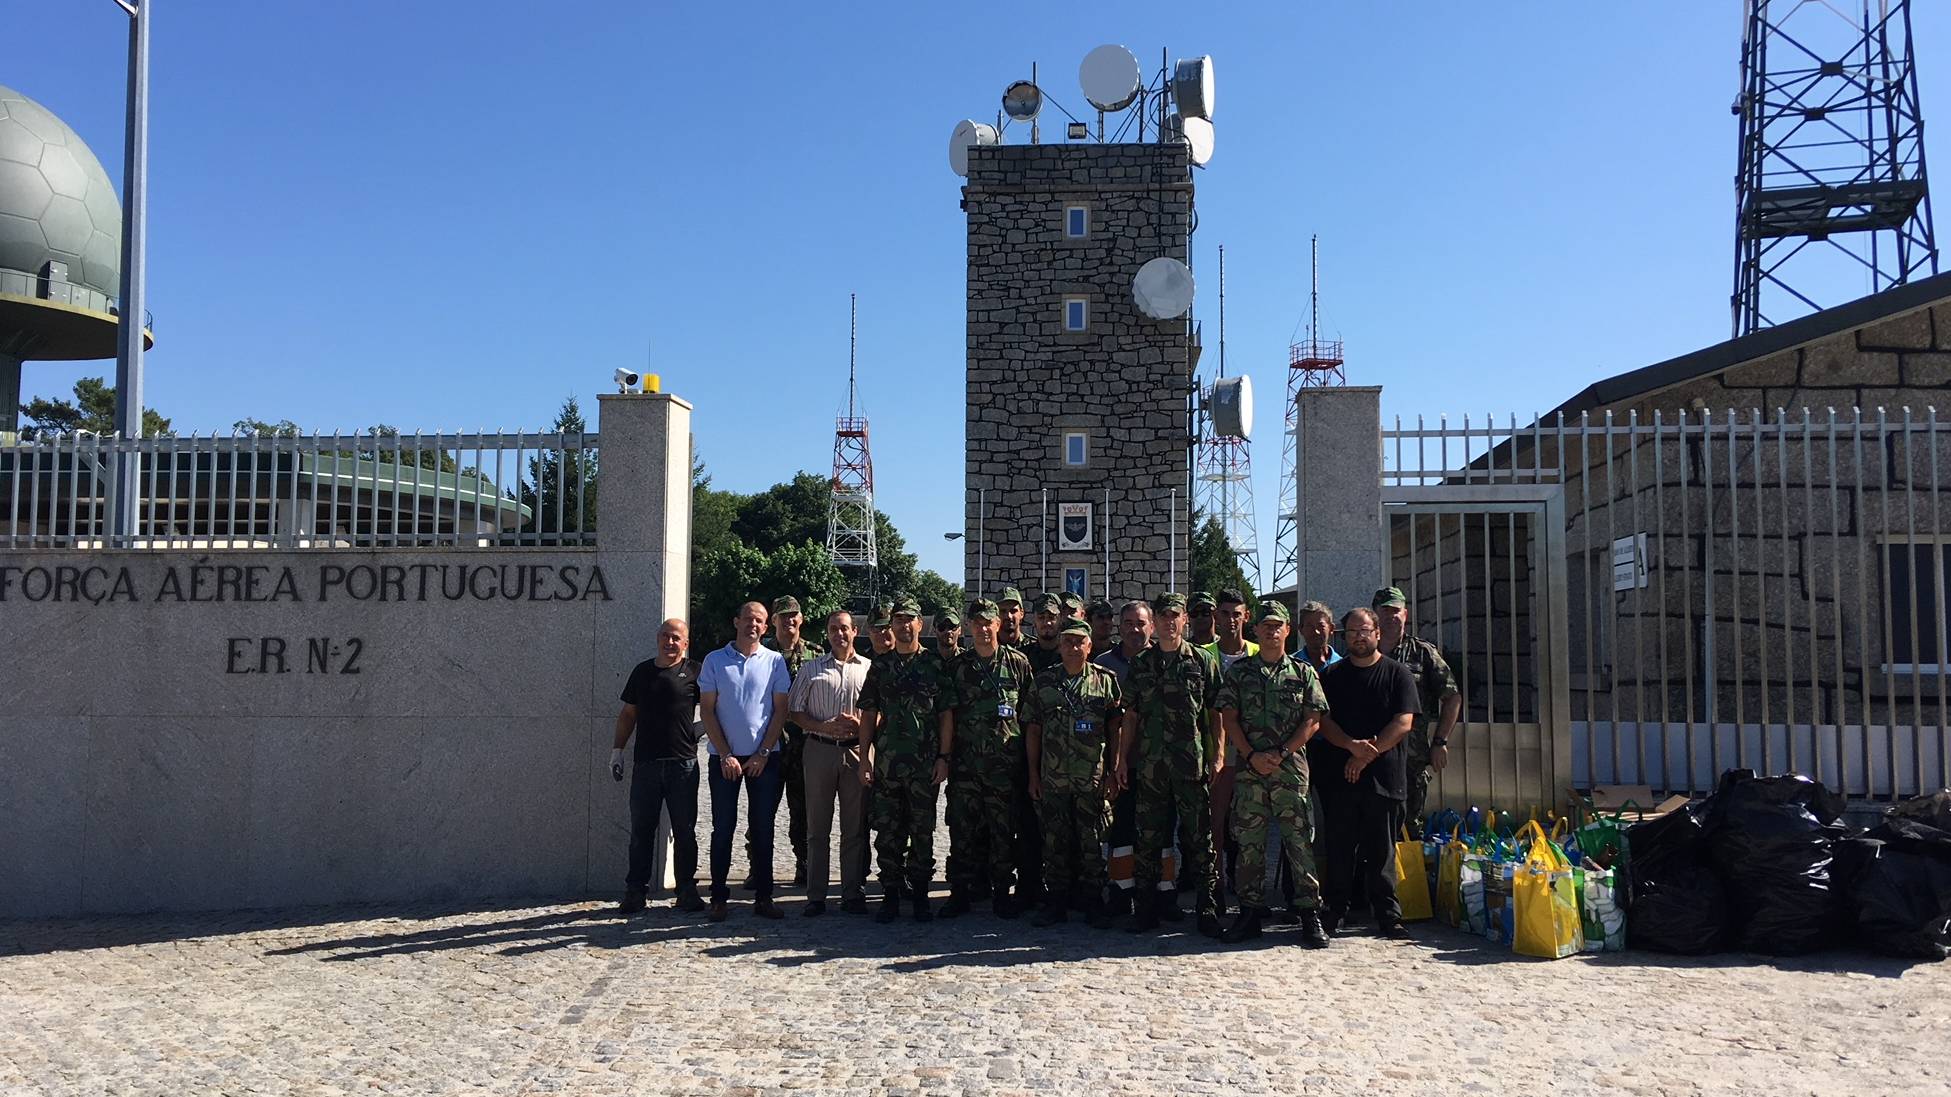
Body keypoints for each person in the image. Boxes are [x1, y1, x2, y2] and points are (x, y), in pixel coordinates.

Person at [1214, 601, 1331, 945]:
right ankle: (1249, 913)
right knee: (1249, 844)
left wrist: (1281, 752)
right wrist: (1251, 754)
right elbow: (1228, 718)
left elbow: (1313, 719)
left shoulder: (1302, 672)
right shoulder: (1239, 672)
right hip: (1251, 772)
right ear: (1256, 630)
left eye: (1277, 625)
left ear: (1287, 630)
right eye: (1265, 625)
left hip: (1290, 770)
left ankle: (1309, 914)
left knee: (1299, 843)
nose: (1270, 630)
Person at [1313, 607, 1422, 938]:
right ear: (1343, 637)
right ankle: (1335, 910)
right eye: (1352, 632)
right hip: (1339, 778)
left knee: (1381, 851)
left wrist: (1365, 755)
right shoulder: (1331, 677)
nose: (1359, 637)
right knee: (1340, 848)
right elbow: (1323, 721)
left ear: (1377, 633)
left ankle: (1388, 915)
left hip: (1384, 778)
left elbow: (1404, 721)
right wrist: (1350, 746)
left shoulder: (1397, 674)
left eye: (1364, 631)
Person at [1121, 593, 1223, 936]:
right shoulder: (1141, 664)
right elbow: (1131, 716)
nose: (1169, 621)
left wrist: (1218, 755)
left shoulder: (1201, 661)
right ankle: (1146, 909)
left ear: (1184, 621)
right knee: (1148, 838)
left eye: (1175, 616)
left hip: (1190, 766)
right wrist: (1122, 758)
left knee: (1199, 839)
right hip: (1151, 767)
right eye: (1163, 616)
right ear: (1155, 622)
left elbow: (1215, 712)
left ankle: (1206, 910)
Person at [1022, 617, 1126, 928]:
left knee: (1092, 841)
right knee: (1055, 841)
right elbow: (1033, 731)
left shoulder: (1105, 681)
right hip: (1053, 777)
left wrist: (1113, 770)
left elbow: (1116, 728)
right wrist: (1033, 775)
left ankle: (1093, 901)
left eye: (1079, 641)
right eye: (1067, 641)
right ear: (1060, 646)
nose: (1073, 646)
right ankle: (1056, 902)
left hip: (1090, 778)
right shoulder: (1043, 682)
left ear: (1090, 646)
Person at [857, 593, 954, 923]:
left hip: (924, 765)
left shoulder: (934, 665)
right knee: (888, 833)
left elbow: (945, 715)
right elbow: (868, 714)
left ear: (919, 623)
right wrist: (864, 758)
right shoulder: (880, 666)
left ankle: (921, 895)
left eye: (908, 619)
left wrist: (943, 757)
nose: (903, 625)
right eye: (897, 620)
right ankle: (890, 894)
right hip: (887, 764)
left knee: (923, 831)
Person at [696, 601, 792, 921]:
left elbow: (781, 710)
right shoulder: (714, 661)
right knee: (723, 828)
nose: (753, 624)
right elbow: (707, 710)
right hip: (724, 758)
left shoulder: (775, 662)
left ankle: (764, 897)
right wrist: (724, 753)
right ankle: (719, 897)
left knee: (762, 828)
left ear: (766, 628)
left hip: (764, 758)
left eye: (760, 621)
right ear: (736, 621)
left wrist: (762, 753)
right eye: (748, 618)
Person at [941, 598, 1035, 918]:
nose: (983, 628)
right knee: (962, 833)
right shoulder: (957, 667)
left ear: (998, 624)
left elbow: (1028, 714)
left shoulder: (1018, 663)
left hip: (1004, 769)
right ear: (969, 626)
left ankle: (1001, 894)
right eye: (977, 622)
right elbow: (948, 716)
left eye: (988, 622)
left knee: (1002, 834)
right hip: (966, 766)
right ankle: (960, 893)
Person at [611, 618, 705, 916]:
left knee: (685, 831)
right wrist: (617, 751)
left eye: (676, 637)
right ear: (657, 638)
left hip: (683, 765)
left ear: (686, 643)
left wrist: (700, 730)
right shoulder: (642, 672)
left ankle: (686, 890)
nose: (670, 642)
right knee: (641, 830)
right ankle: (635, 891)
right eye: (665, 636)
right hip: (646, 766)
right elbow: (628, 715)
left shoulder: (696, 672)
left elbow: (716, 708)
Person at [787, 609, 872, 916]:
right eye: (834, 629)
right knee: (817, 827)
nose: (840, 634)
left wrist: (859, 723)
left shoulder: (868, 669)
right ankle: (816, 895)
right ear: (827, 633)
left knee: (854, 827)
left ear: (855, 632)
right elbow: (794, 712)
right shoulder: (811, 669)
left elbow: (881, 713)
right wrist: (824, 726)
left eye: (845, 628)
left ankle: (852, 892)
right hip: (819, 749)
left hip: (856, 751)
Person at [1373, 587, 1461, 835]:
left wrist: (1440, 741)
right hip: (1371, 757)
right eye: (1386, 610)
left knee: (1410, 829)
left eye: (1396, 611)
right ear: (1375, 614)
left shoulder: (1423, 653)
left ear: (1406, 614)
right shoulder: (1364, 652)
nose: (1392, 616)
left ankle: (1410, 875)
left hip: (1410, 760)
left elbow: (1452, 697)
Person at [1093, 600, 1153, 916]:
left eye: (1140, 623)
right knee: (1121, 832)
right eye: (1128, 623)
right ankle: (1120, 891)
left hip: (1159, 763)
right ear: (1120, 626)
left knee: (1158, 832)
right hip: (1119, 764)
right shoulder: (1103, 664)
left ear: (1151, 626)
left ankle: (1157, 894)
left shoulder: (1163, 661)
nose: (1134, 629)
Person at [761, 595, 823, 890]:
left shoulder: (816, 653)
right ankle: (758, 867)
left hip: (803, 746)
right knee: (763, 809)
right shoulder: (761, 653)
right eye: (783, 616)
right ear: (773, 621)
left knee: (803, 811)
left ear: (801, 619)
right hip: (769, 746)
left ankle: (804, 864)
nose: (789, 621)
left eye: (793, 615)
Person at [1202, 587, 1259, 910]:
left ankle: (1248, 886)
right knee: (1216, 824)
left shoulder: (1257, 652)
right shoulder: (1202, 654)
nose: (1231, 620)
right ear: (1216, 617)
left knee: (1251, 823)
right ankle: (1217, 886)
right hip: (1216, 754)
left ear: (1246, 617)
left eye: (1237, 614)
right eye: (1225, 613)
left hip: (1252, 751)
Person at [1024, 593, 1065, 675]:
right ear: (1034, 621)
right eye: (1041, 617)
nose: (1047, 623)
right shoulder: (1024, 657)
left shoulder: (1069, 655)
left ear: (1061, 620)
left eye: (1051, 617)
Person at [1297, 600, 1340, 674]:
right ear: (1301, 629)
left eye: (1321, 626)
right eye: (1309, 626)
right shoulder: (1290, 665)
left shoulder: (1342, 665)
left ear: (1331, 628)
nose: (1316, 631)